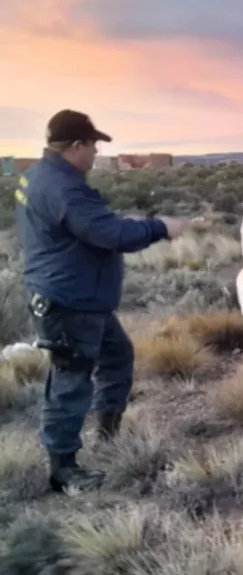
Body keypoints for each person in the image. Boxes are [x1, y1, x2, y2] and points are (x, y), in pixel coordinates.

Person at [14, 109, 191, 493]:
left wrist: (115, 221)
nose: (95, 153)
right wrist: (161, 228)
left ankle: (109, 436)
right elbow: (108, 234)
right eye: (93, 145)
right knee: (70, 381)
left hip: (82, 299)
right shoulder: (64, 187)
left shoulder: (39, 178)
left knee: (116, 357)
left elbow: (86, 224)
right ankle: (63, 468)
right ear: (76, 145)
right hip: (70, 302)